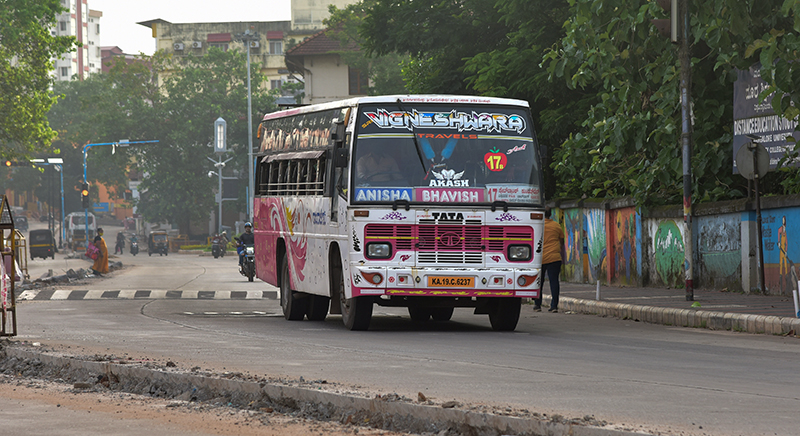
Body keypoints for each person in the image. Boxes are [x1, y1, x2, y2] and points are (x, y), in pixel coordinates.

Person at [534, 207, 565, 313]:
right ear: (550, 214)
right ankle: (554, 306)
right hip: (554, 257)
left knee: (539, 282)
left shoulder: (538, 225)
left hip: (540, 258)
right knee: (554, 281)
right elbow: (561, 240)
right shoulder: (556, 225)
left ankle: (537, 305)